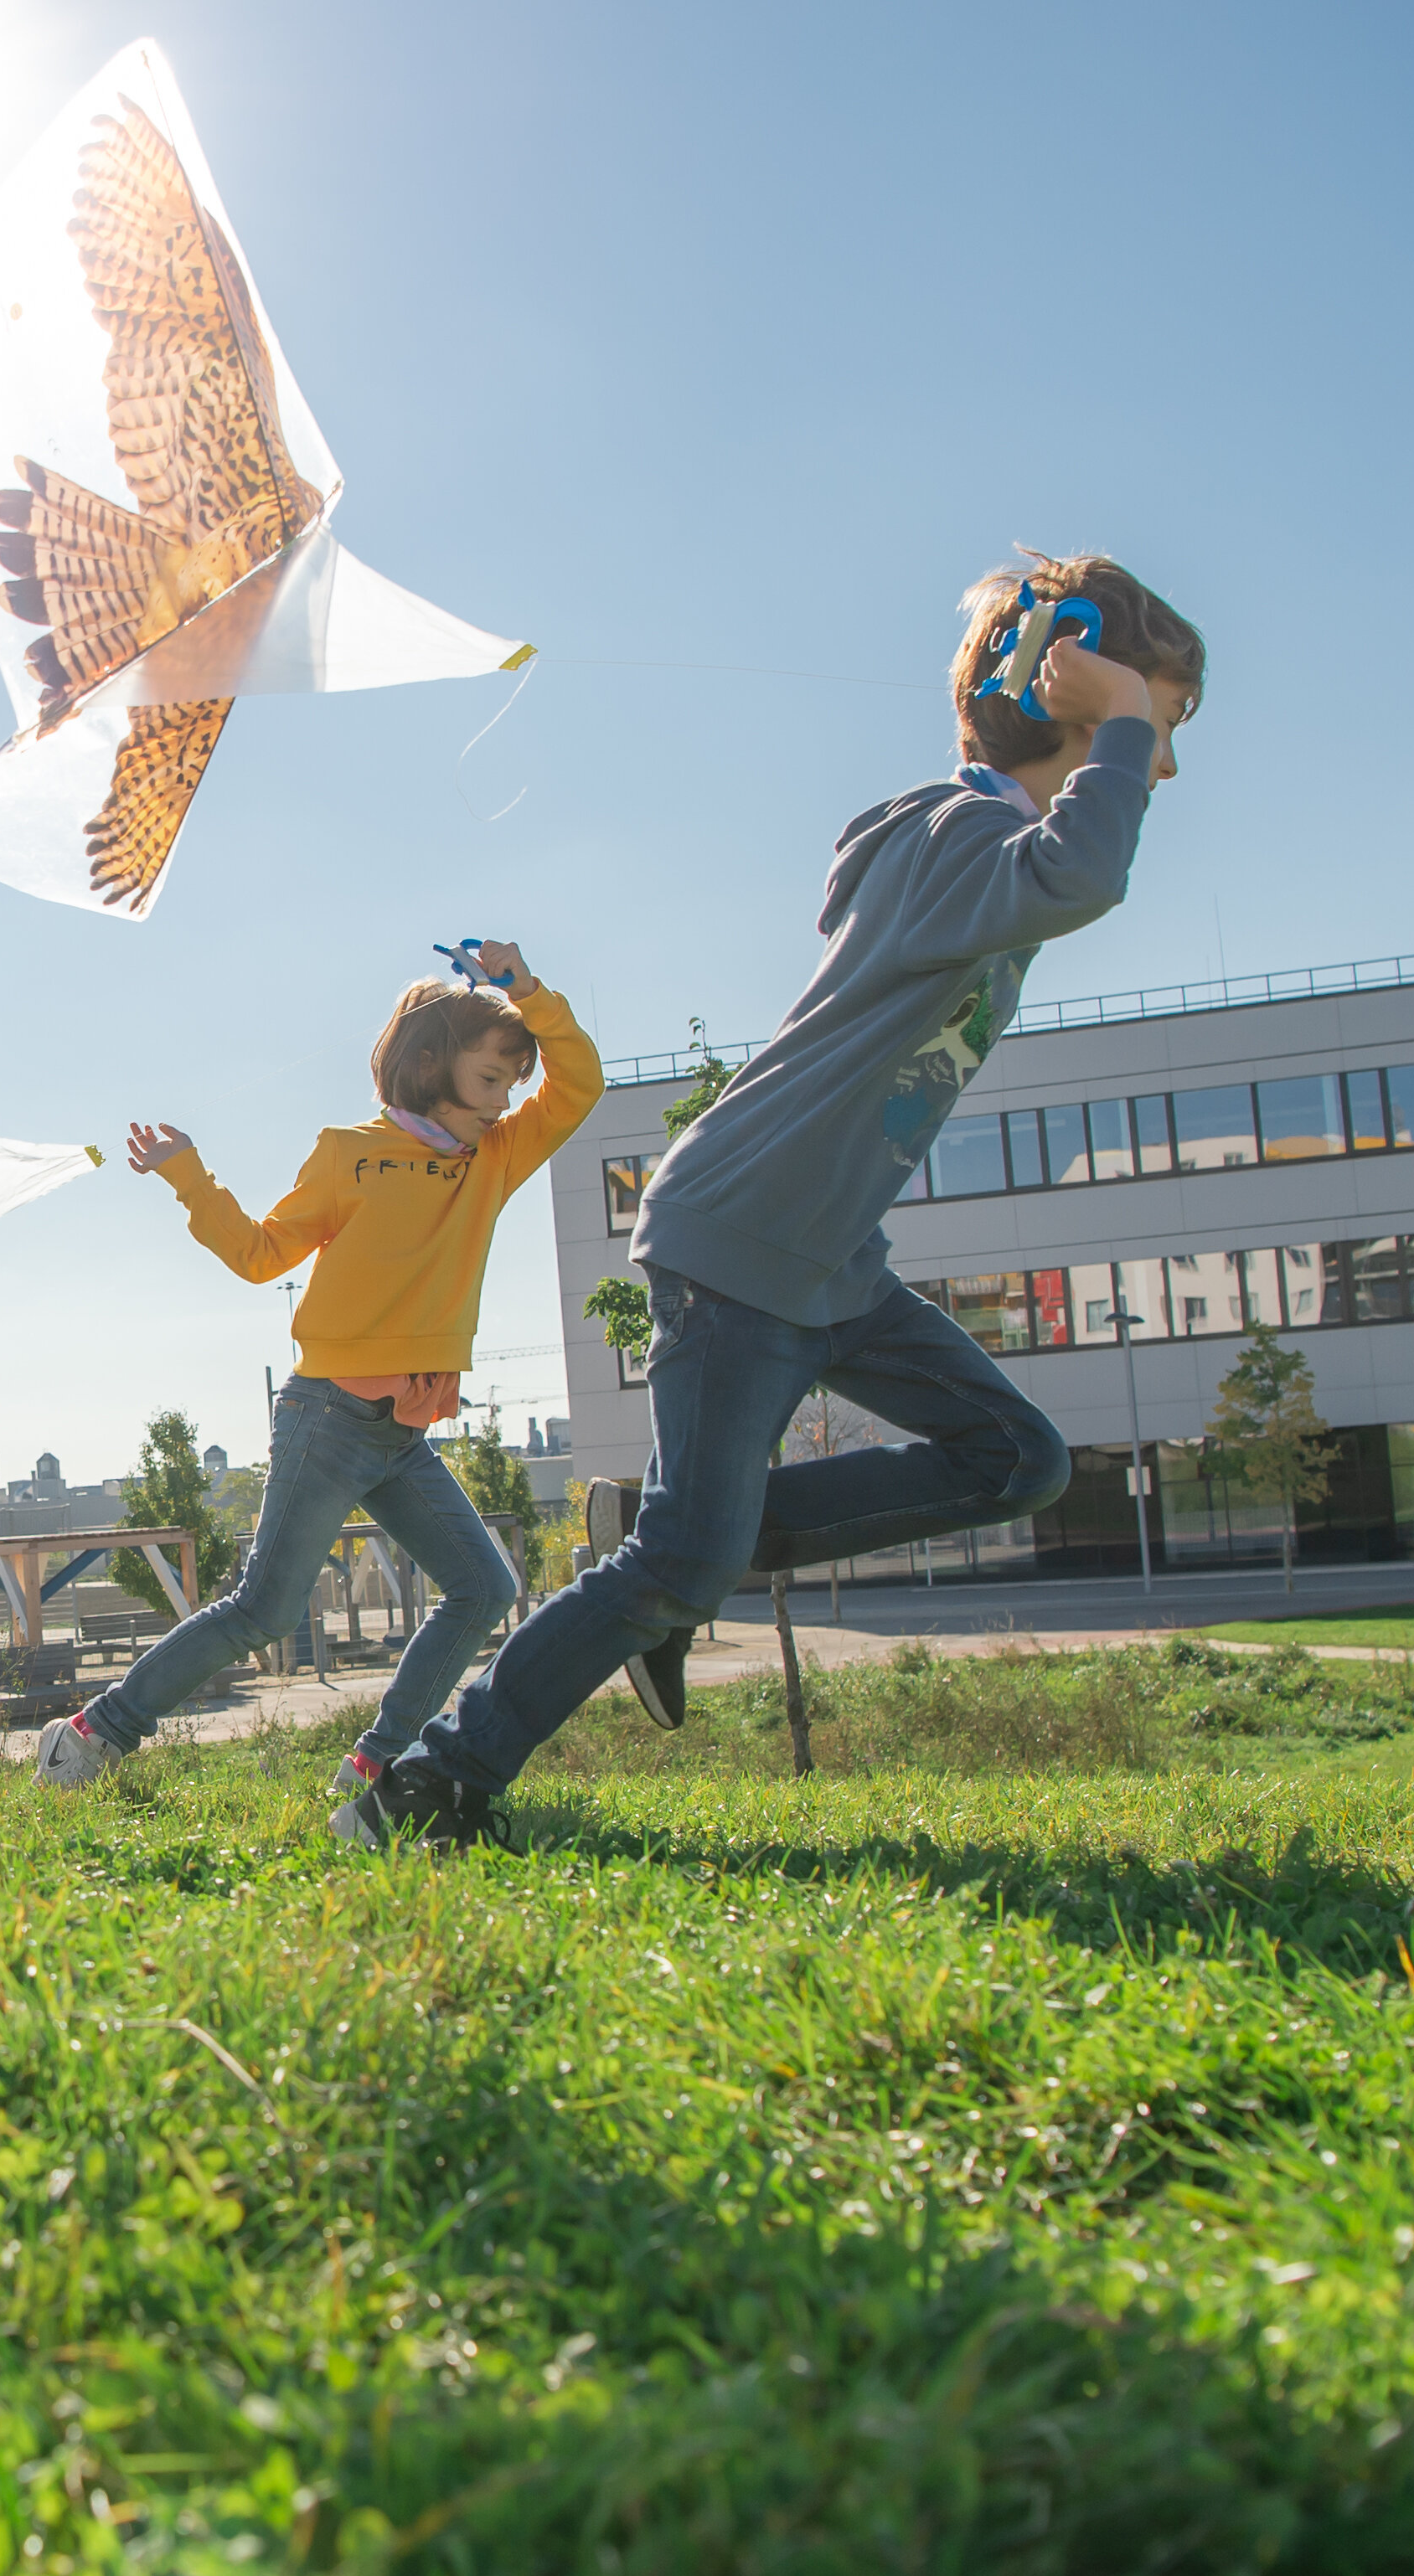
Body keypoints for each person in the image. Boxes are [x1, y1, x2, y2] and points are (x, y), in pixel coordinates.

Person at [337, 554, 1205, 1848]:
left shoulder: (961, 845)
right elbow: (1084, 876)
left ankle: (682, 1557)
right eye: (1164, 725)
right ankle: (426, 1789)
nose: (1168, 767)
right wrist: (1124, 717)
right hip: (744, 1238)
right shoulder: (955, 838)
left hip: (831, 1261)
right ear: (1069, 686)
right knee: (680, 1564)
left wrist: (1114, 708)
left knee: (1015, 1461)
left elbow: (1060, 870)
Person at [34, 943, 603, 1793]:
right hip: (326, 1417)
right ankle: (90, 1733)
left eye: (511, 1086)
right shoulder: (349, 1153)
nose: (503, 1102)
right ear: (427, 1065)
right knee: (262, 1609)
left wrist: (525, 993)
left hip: (403, 1432)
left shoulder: (492, 1158)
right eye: (490, 1080)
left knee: (484, 1587)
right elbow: (260, 1255)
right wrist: (188, 1176)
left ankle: (374, 1763)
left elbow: (580, 1084)